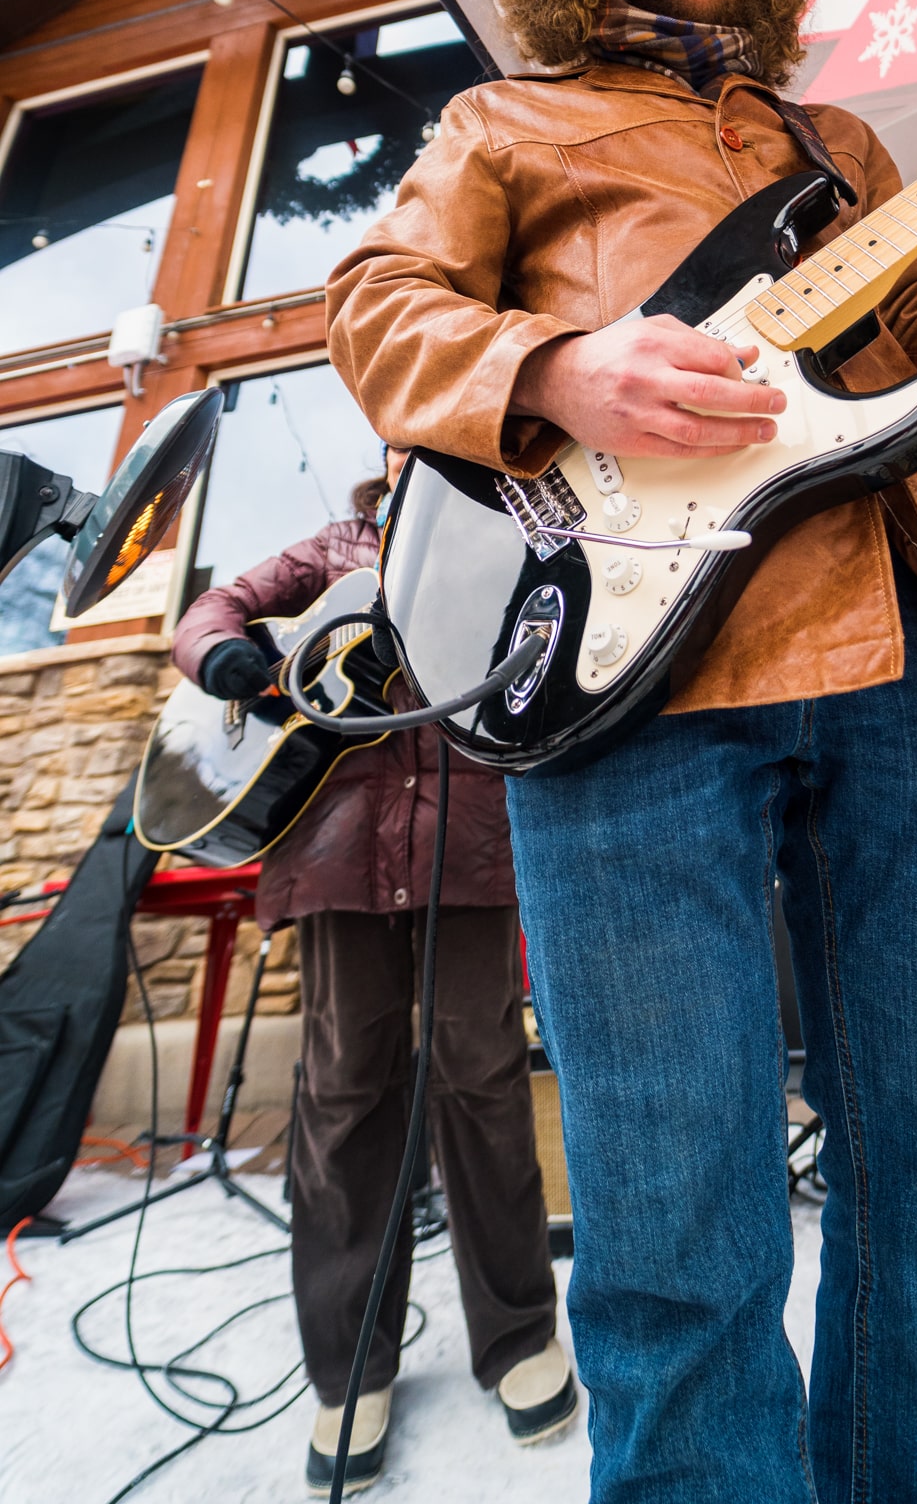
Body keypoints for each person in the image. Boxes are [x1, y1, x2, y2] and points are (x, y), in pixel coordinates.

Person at [325, 0, 917, 1503]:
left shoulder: (836, 153)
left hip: (912, 678)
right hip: (637, 688)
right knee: (679, 1219)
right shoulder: (507, 124)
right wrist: (556, 371)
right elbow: (381, 311)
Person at [171, 446, 576, 1496]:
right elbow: (215, 609)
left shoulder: (522, 536)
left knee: (483, 1080)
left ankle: (520, 1335)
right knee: (345, 1092)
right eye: (400, 437)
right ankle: (350, 1368)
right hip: (334, 847)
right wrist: (224, 660)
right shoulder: (332, 549)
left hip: (473, 848)